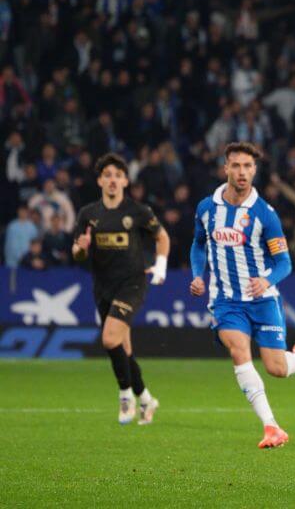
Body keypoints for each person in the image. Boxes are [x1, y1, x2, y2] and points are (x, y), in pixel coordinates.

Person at [189, 142, 295, 448]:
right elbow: (198, 244)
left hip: (263, 300)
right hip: (226, 301)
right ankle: (271, 427)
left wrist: (266, 280)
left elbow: (284, 262)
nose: (242, 172)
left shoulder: (265, 215)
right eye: (236, 165)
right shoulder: (207, 208)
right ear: (226, 169)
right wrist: (198, 274)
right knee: (238, 351)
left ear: (255, 170)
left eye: (247, 166)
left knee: (276, 368)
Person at [72, 153, 170, 425]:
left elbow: (162, 237)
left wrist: (160, 266)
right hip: (103, 286)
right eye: (107, 175)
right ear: (100, 181)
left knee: (109, 339)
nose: (112, 180)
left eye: (118, 175)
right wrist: (81, 248)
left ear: (125, 180)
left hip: (132, 283)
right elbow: (77, 253)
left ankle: (126, 396)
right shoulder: (88, 215)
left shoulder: (138, 212)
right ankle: (147, 399)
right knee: (122, 347)